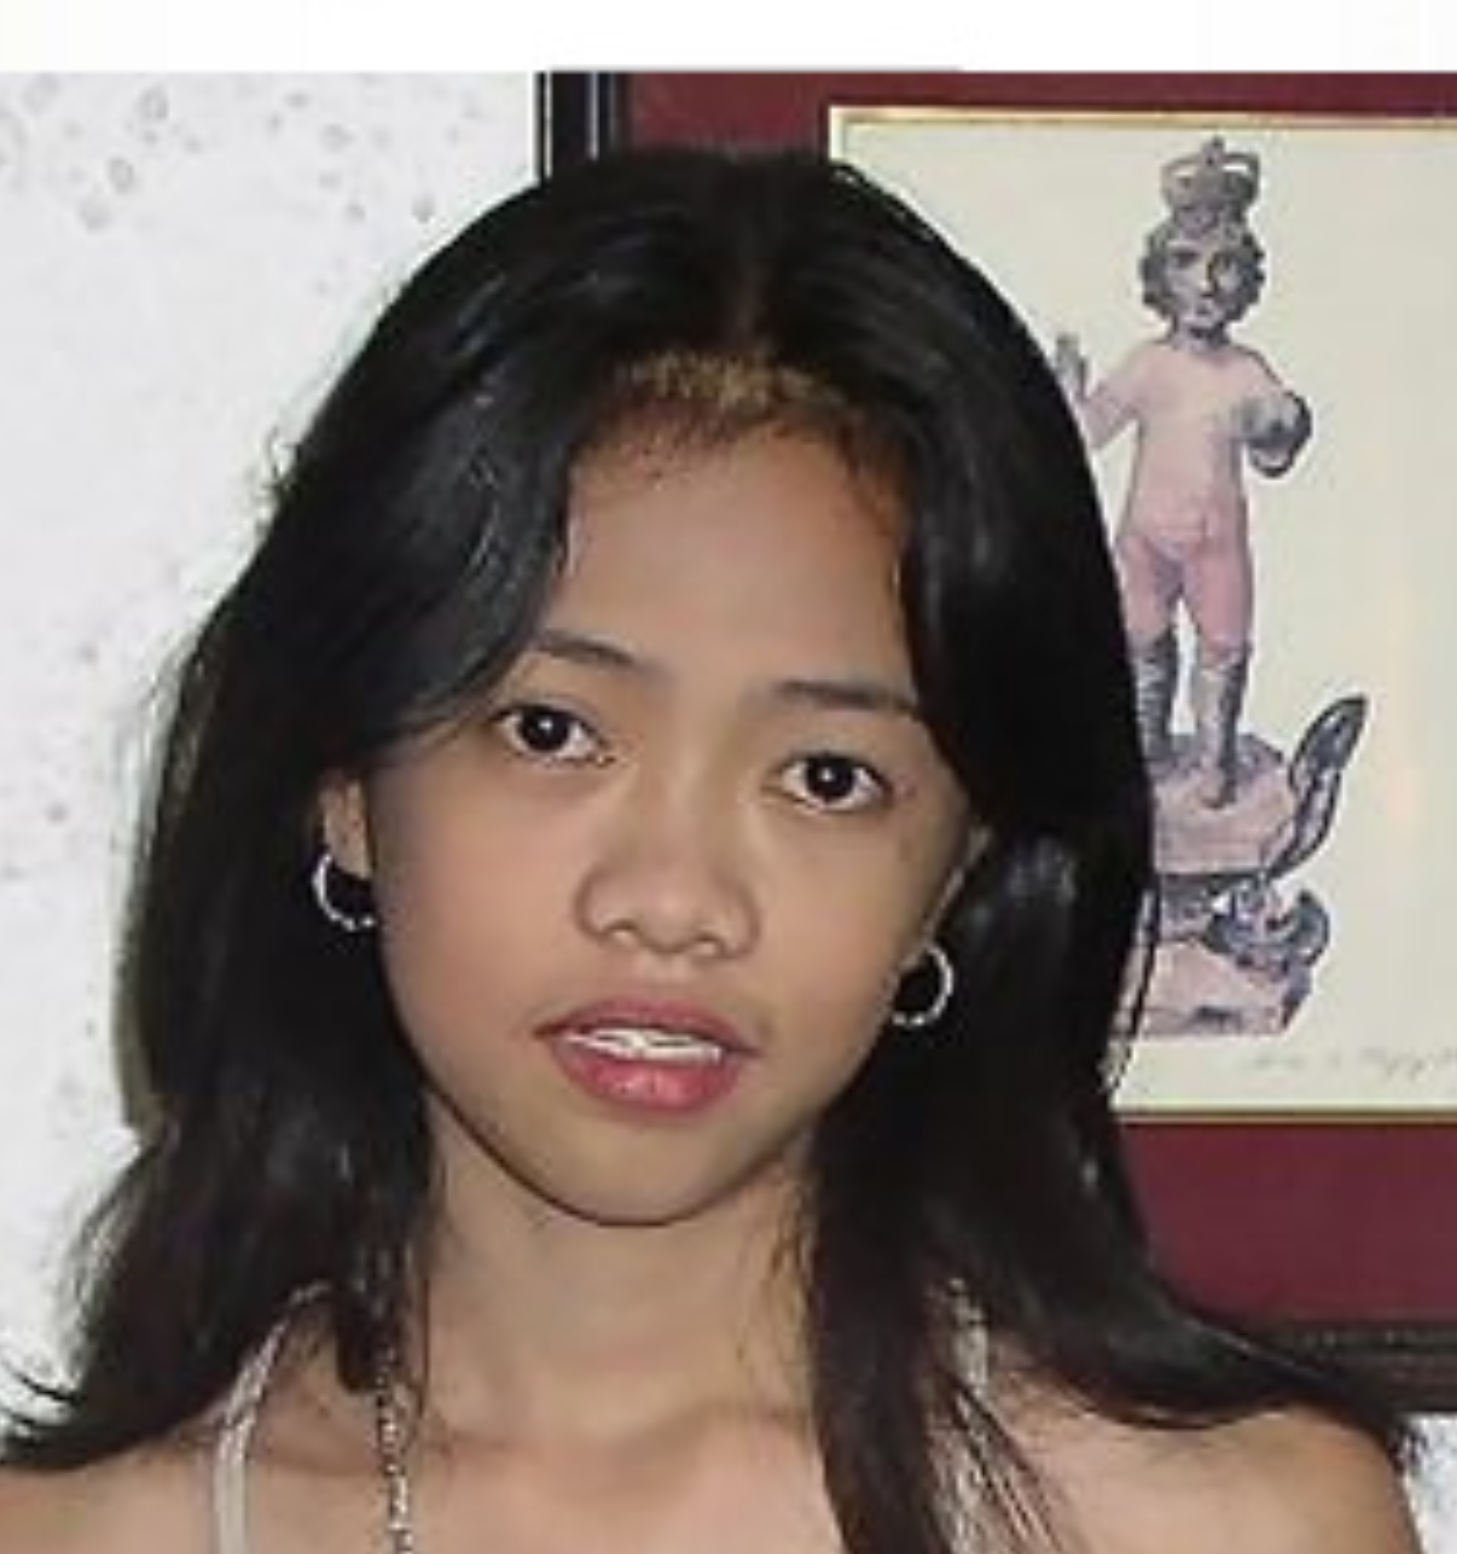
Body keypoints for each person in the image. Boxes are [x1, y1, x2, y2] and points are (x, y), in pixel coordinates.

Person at [0, 145, 1417, 1554]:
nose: (674, 900)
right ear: (345, 782)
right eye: (552, 731)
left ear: (960, 866)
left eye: (826, 776)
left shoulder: (1234, 1525)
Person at [1055, 137, 1312, 807]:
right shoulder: (1148, 364)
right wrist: (1066, 395)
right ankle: (1146, 755)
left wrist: (1280, 424)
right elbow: (1088, 434)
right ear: (1159, 276)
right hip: (1144, 542)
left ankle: (1213, 762)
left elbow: (1273, 451)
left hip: (1216, 544)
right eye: (1186, 262)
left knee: (1222, 646)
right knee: (1142, 641)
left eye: (1224, 266)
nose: (1205, 284)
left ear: (1246, 280)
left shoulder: (1245, 372)